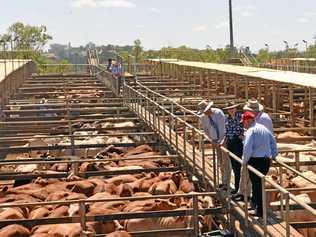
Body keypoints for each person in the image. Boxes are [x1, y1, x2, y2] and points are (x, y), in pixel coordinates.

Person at [241, 111, 278, 217]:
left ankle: (260, 210)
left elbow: (247, 147)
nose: (244, 124)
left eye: (244, 122)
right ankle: (257, 205)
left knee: (257, 185)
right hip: (266, 161)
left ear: (248, 121)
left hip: (255, 161)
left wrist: (244, 161)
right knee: (260, 184)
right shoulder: (263, 128)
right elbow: (273, 141)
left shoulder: (250, 131)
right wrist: (274, 155)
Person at [198, 100, 231, 189]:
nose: (205, 113)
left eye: (206, 111)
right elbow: (205, 130)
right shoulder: (203, 117)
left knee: (225, 162)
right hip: (215, 141)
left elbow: (223, 128)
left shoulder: (218, 113)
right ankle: (223, 181)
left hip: (223, 140)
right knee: (220, 161)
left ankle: (227, 182)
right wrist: (211, 140)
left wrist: (221, 141)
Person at [223, 100, 243, 194]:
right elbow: (226, 132)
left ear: (235, 108)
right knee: (234, 166)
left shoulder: (241, 117)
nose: (231, 110)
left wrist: (242, 135)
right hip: (230, 142)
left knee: (237, 165)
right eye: (229, 109)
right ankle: (237, 187)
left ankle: (238, 188)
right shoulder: (227, 119)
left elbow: (245, 127)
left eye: (232, 108)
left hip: (238, 142)